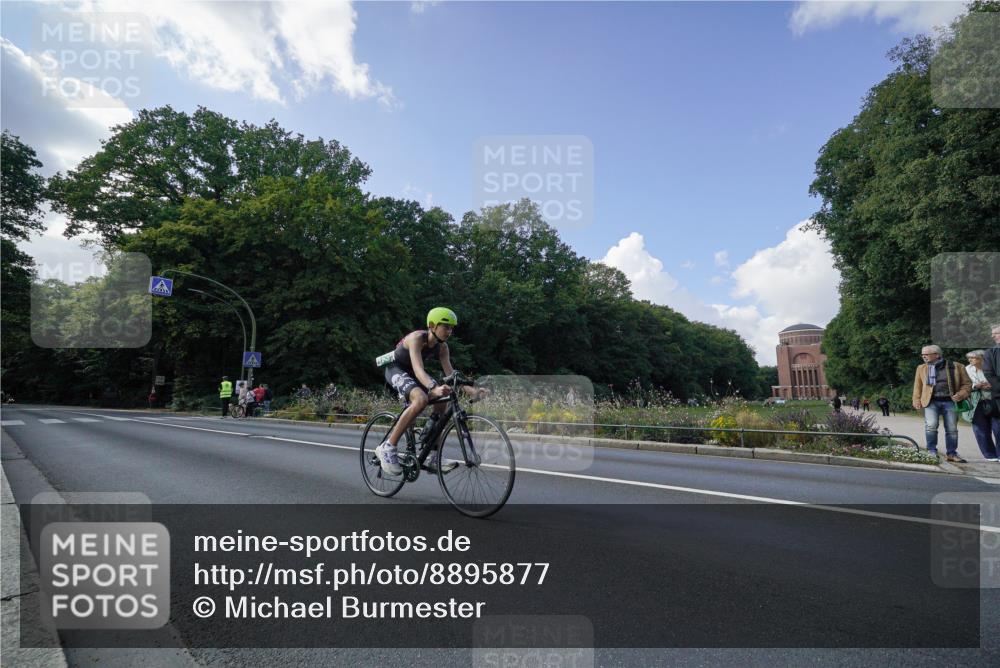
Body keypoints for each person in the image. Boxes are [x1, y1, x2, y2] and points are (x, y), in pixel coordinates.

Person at [374, 307, 486, 476]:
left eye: (451, 328)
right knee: (420, 399)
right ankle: (388, 447)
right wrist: (433, 388)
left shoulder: (442, 348)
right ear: (433, 326)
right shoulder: (416, 338)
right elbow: (419, 369)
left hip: (413, 374)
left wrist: (473, 391)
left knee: (445, 397)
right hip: (396, 369)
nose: (449, 331)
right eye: (446, 327)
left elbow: (450, 373)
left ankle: (433, 453)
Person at [912, 344, 972, 462]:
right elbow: (917, 386)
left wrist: (961, 394)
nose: (924, 357)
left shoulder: (956, 366)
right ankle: (931, 451)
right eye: (922, 354)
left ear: (937, 355)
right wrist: (916, 400)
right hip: (930, 402)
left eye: (926, 354)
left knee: (952, 429)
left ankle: (951, 454)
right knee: (931, 426)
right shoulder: (922, 368)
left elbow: (967, 384)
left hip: (950, 402)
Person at [962, 350, 998, 461]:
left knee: (998, 428)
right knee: (980, 430)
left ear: (982, 358)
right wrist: (975, 385)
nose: (970, 360)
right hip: (976, 402)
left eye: (973, 358)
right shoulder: (967, 369)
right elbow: (963, 383)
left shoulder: (993, 367)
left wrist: (991, 385)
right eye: (969, 358)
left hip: (994, 401)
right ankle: (989, 454)